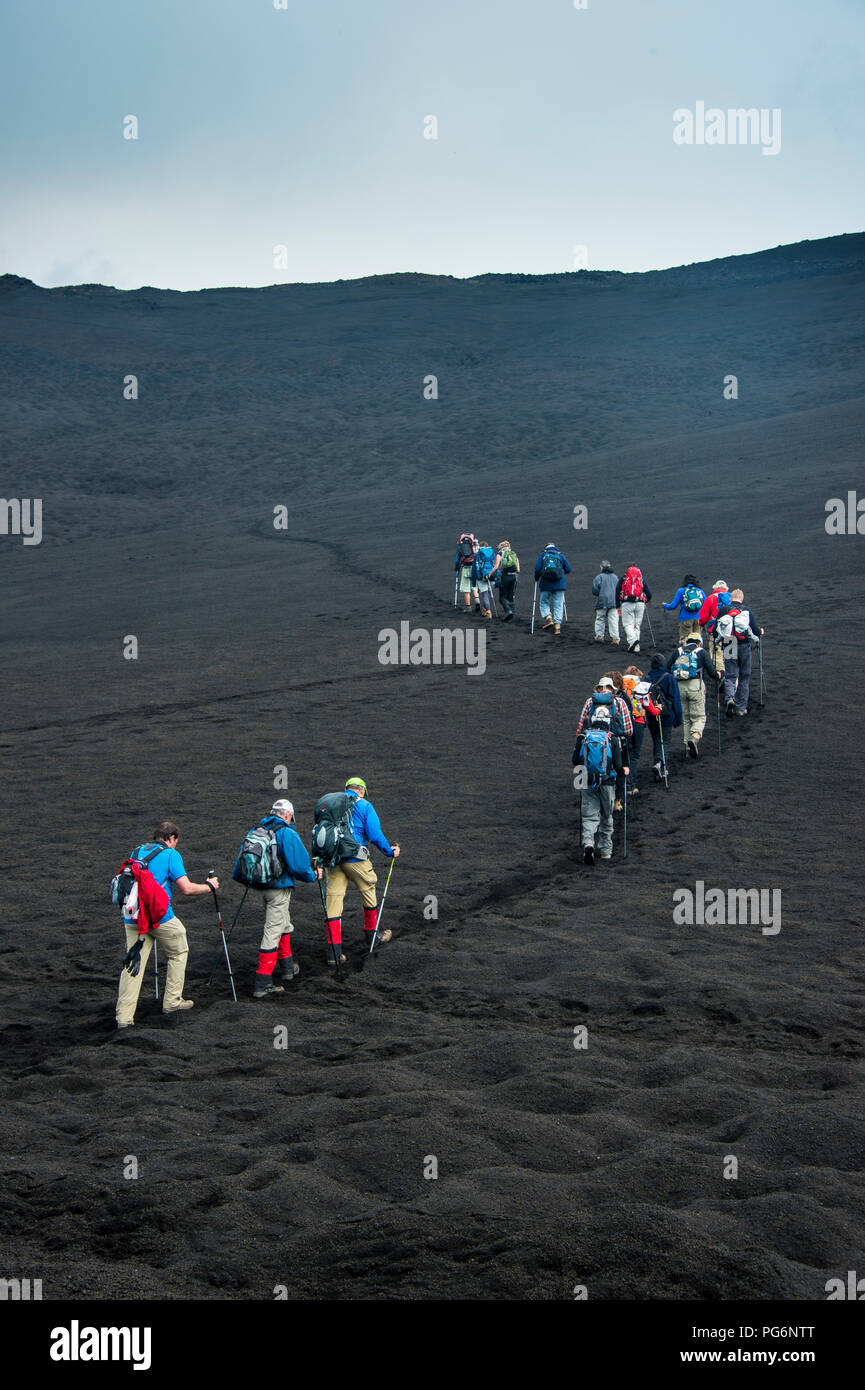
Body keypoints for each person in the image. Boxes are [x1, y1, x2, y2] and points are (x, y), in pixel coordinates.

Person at [115, 821, 218, 1028]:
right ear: (172, 838)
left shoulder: (137, 851)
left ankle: (123, 1017)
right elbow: (186, 889)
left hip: (132, 916)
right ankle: (172, 1001)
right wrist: (209, 886)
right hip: (159, 917)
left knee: (133, 965)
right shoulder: (171, 855)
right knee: (179, 949)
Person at [237, 799, 322, 999]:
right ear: (287, 815)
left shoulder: (256, 830)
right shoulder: (287, 833)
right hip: (279, 889)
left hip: (260, 885)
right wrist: (313, 876)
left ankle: (288, 967)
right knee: (273, 929)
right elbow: (299, 866)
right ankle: (263, 982)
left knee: (283, 923)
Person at [320, 777, 400, 963]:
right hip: (356, 857)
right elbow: (374, 834)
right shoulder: (364, 805)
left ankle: (333, 952)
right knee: (368, 889)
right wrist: (390, 851)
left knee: (333, 900)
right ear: (362, 791)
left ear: (346, 788)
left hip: (333, 859)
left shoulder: (331, 804)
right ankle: (372, 936)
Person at [573, 677, 628, 864]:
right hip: (608, 780)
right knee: (607, 815)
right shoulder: (612, 738)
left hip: (585, 778)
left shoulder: (584, 736)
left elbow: (575, 760)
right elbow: (619, 766)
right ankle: (605, 850)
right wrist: (624, 772)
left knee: (588, 814)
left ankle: (588, 843)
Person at [666, 634, 721, 757]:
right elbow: (711, 671)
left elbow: (667, 668)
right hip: (695, 686)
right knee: (699, 717)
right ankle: (694, 737)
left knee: (686, 718)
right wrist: (718, 676)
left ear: (687, 642)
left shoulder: (678, 652)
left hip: (679, 687)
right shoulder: (701, 652)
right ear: (699, 643)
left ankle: (687, 747)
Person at [716, 588, 763, 717]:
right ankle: (741, 708)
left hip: (730, 643)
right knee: (744, 675)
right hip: (744, 645)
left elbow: (716, 630)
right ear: (741, 598)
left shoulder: (724, 610)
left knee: (731, 674)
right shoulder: (746, 610)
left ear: (731, 598)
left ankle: (730, 698)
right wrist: (760, 632)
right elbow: (755, 630)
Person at [642, 653, 682, 781]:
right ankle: (660, 764)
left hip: (652, 715)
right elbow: (675, 699)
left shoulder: (646, 679)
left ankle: (659, 766)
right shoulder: (669, 678)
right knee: (663, 741)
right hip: (666, 715)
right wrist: (678, 718)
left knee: (656, 741)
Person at [534, 542, 571, 634]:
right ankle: (557, 627)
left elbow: (537, 568)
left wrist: (536, 578)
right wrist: (561, 574)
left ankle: (548, 618)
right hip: (559, 584)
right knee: (558, 604)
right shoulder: (560, 555)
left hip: (546, 584)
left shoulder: (543, 554)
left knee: (544, 602)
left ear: (546, 547)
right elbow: (569, 569)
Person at [698, 580, 733, 675]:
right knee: (730, 655)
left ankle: (721, 676)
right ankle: (732, 679)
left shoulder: (711, 598)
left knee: (717, 655)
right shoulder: (732, 598)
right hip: (731, 632)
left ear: (715, 588)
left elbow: (703, 617)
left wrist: (701, 624)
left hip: (715, 632)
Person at [621, 666, 647, 795]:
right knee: (634, 755)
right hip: (637, 722)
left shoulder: (620, 684)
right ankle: (631, 786)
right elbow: (646, 704)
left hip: (623, 723)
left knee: (624, 754)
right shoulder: (639, 685)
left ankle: (621, 785)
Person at [616, 564, 652, 653]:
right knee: (637, 625)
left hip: (627, 603)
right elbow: (649, 594)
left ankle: (633, 641)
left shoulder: (624, 579)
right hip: (639, 603)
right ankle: (636, 647)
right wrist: (644, 602)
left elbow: (617, 593)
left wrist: (618, 606)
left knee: (628, 624)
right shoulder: (640, 579)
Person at [662, 574, 706, 643]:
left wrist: (665, 605)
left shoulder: (681, 591)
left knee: (686, 640)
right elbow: (705, 605)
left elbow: (673, 606)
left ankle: (687, 653)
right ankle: (697, 652)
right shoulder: (700, 591)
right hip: (698, 619)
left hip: (685, 619)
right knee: (698, 640)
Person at [592, 560, 620, 644]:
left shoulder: (599, 577)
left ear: (602, 568)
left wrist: (599, 594)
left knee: (600, 618)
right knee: (613, 620)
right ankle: (615, 638)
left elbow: (595, 590)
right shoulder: (615, 577)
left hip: (602, 601)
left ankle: (599, 637)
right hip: (614, 602)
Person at [471, 540, 500, 619]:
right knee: (488, 594)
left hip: (481, 577)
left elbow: (474, 570)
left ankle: (488, 612)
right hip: (492, 576)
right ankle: (484, 609)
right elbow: (496, 565)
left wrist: (473, 583)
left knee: (485, 595)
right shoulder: (492, 553)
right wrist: (497, 577)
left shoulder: (477, 554)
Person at [454, 533, 479, 611]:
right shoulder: (474, 545)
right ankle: (477, 601)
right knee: (474, 586)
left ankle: (468, 607)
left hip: (465, 568)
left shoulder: (460, 547)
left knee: (466, 589)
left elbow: (457, 560)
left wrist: (456, 568)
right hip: (474, 568)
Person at [497, 540, 520, 621]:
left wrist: (489, 574)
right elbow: (518, 570)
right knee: (511, 597)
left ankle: (508, 611)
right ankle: (513, 615)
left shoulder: (500, 554)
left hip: (505, 577)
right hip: (513, 577)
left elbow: (496, 567)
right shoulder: (514, 554)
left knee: (502, 598)